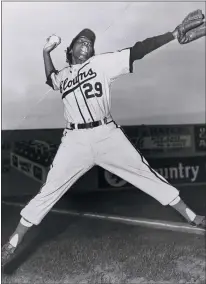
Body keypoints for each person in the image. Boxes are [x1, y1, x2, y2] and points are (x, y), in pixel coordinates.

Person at [2, 9, 206, 268]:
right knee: (48, 191)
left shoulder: (102, 64)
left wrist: (173, 34)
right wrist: (45, 52)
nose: (86, 44)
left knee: (146, 174)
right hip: (74, 141)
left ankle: (192, 216)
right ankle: (12, 242)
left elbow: (138, 50)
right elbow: (50, 78)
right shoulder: (63, 77)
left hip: (107, 135)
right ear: (71, 49)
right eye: (81, 41)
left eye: (90, 43)